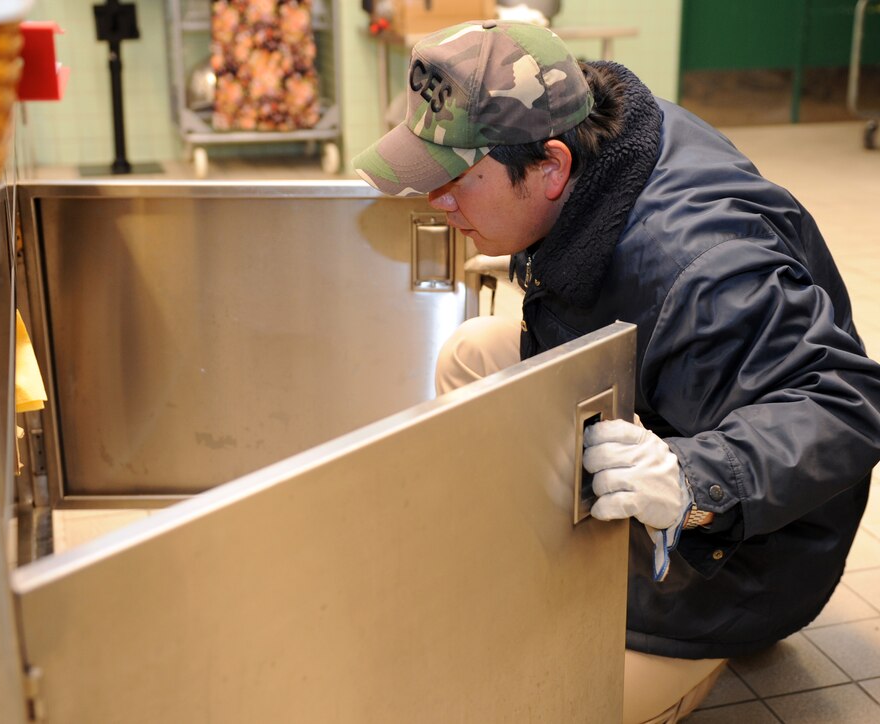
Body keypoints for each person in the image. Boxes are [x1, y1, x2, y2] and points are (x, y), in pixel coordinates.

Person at [353, 19, 880, 724]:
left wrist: (697, 476)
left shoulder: (705, 274)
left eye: (455, 182)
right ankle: (518, 555)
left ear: (550, 167)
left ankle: (685, 657)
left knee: (530, 697)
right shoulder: (601, 128)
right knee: (473, 352)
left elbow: (845, 405)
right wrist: (529, 259)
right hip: (676, 407)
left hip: (746, 550)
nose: (437, 203)